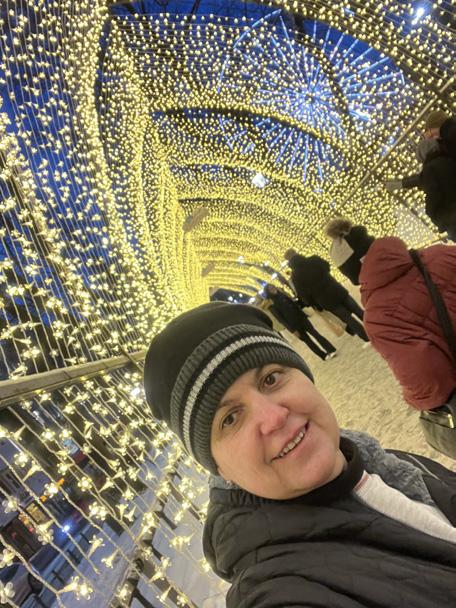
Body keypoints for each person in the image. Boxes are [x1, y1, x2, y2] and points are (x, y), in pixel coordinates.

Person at [143, 302, 456, 608]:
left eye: (270, 379)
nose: (274, 418)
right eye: (230, 419)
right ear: (219, 469)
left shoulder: (383, 462)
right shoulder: (279, 588)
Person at [325, 217, 456, 411]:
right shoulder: (439, 252)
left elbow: (428, 380)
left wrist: (413, 399)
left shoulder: (378, 318)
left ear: (352, 271)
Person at [284, 248, 369, 342]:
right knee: (357, 310)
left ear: (288, 261)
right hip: (336, 289)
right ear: (296, 252)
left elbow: (303, 294)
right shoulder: (313, 259)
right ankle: (376, 326)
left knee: (348, 319)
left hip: (325, 300)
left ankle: (367, 337)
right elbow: (327, 266)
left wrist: (314, 304)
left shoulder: (295, 277)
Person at [385, 137, 456, 240]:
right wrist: (399, 184)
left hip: (452, 217)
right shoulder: (448, 158)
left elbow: (432, 195)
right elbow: (420, 180)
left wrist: (434, 217)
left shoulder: (430, 169)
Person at [264, 284, 337, 361]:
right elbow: (281, 319)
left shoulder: (282, 294)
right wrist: (292, 330)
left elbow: (293, 304)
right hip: (294, 326)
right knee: (308, 341)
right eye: (270, 289)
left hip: (302, 319)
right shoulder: (271, 304)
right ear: (268, 292)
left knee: (315, 333)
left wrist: (303, 314)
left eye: (273, 287)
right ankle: (323, 355)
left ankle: (330, 350)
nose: (273, 289)